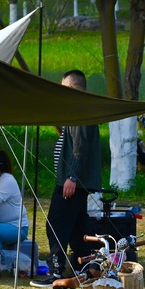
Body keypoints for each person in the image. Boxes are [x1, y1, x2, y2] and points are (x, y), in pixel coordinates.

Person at [44, 70, 105, 277]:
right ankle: (87, 268)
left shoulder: (81, 109)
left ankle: (55, 271)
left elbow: (80, 149)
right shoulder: (80, 109)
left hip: (72, 183)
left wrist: (72, 177)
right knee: (78, 229)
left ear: (70, 87)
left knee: (56, 225)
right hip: (74, 182)